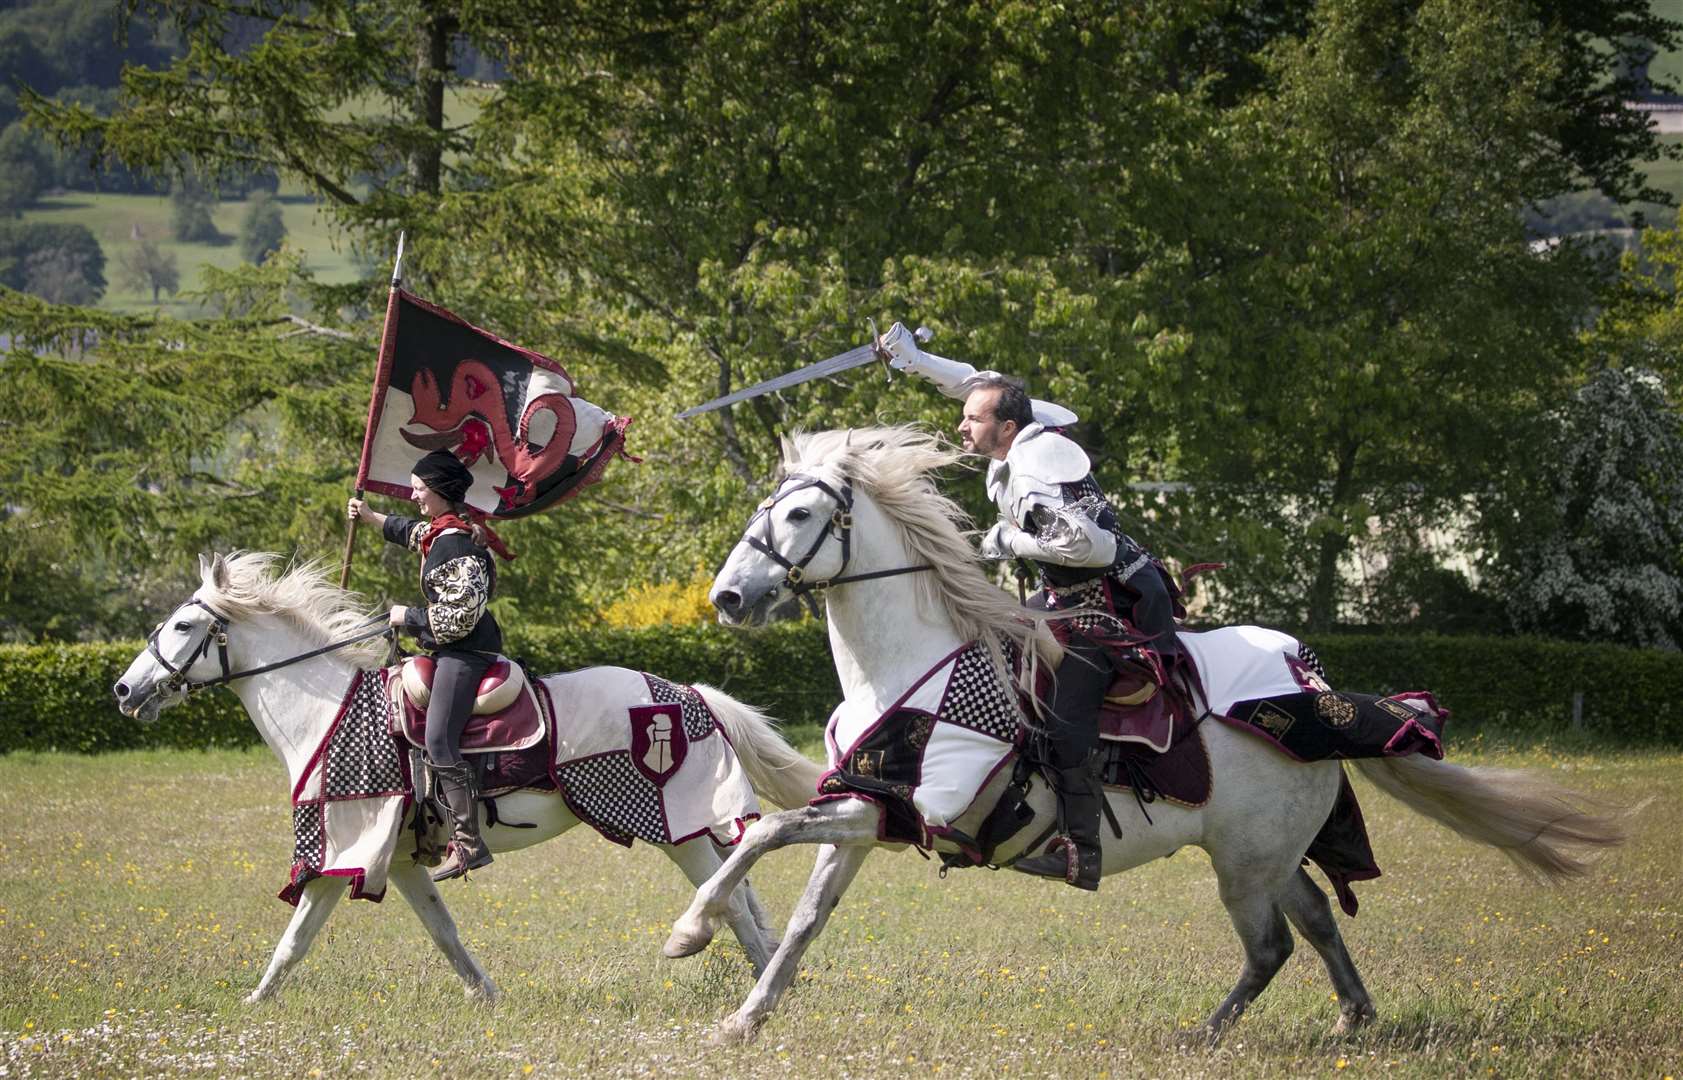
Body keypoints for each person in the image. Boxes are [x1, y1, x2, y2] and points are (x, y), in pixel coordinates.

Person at [880, 322, 1183, 891]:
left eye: (973, 419)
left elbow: (1091, 546)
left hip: (1113, 606)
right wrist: (913, 360)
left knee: (1067, 728)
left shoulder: (1038, 462)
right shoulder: (1019, 431)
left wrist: (1004, 541)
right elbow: (978, 385)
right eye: (966, 414)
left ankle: (1082, 850)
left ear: (1008, 427)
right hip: (1065, 597)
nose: (960, 424)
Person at [347, 450, 507, 882]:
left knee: (438, 740)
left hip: (466, 652)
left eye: (419, 489)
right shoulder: (439, 532)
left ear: (439, 492)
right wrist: (368, 515)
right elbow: (407, 529)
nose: (414, 496)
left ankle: (469, 845)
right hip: (449, 650)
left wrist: (408, 616)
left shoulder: (454, 543)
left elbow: (462, 616)